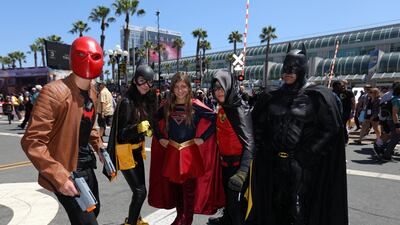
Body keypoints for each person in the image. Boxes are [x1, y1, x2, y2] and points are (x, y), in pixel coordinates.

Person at [246, 43, 348, 225]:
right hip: (273, 163)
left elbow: (331, 129)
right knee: (273, 206)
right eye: (285, 67)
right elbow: (258, 126)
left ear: (303, 68)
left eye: (294, 67)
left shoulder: (316, 97)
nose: (288, 71)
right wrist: (261, 150)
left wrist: (307, 154)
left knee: (298, 210)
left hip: (302, 166)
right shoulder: (271, 97)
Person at [21, 36, 105, 225]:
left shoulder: (93, 92)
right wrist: (59, 177)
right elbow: (32, 141)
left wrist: (99, 147)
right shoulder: (53, 92)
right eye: (83, 55)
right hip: (67, 170)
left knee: (94, 211)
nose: (89, 60)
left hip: (86, 166)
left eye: (95, 56)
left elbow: (87, 125)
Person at [148, 72, 224, 225]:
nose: (180, 90)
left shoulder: (195, 105)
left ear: (189, 88)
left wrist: (202, 138)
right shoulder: (167, 106)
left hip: (189, 156)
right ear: (172, 88)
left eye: (183, 86)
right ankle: (180, 216)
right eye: (176, 86)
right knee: (177, 193)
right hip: (172, 154)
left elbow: (215, 118)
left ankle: (185, 220)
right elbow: (153, 120)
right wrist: (160, 137)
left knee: (188, 193)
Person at [105, 65, 157, 225]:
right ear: (135, 81)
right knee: (140, 192)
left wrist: (147, 130)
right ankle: (132, 222)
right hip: (125, 153)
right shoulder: (127, 102)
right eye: (142, 81)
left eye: (149, 82)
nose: (145, 85)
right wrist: (138, 128)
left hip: (136, 151)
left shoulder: (143, 100)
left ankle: (135, 218)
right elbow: (121, 134)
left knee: (140, 191)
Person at [207, 70, 255, 225]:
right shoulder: (224, 107)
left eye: (221, 87)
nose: (218, 92)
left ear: (229, 86)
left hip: (238, 166)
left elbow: (250, 143)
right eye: (215, 89)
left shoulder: (239, 109)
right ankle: (226, 220)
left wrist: (242, 172)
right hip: (225, 164)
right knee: (229, 201)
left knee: (236, 207)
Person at [383, 82, 400, 160]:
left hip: (394, 121)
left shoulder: (396, 98)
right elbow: (394, 114)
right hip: (394, 121)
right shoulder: (396, 99)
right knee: (395, 138)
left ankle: (387, 153)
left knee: (395, 138)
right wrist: (397, 125)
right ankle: (387, 155)